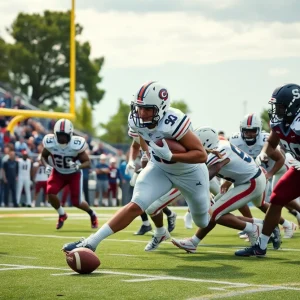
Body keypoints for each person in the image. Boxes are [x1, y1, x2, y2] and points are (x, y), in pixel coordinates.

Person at [62, 81, 211, 253]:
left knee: (202, 221)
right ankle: (90, 243)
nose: (142, 113)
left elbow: (201, 155)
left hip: (190, 172)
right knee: (136, 204)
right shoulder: (136, 120)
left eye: (148, 109)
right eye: (139, 107)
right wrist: (143, 158)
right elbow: (140, 140)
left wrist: (171, 155)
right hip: (160, 169)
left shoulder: (174, 121)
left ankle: (208, 199)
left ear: (161, 108)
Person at [171, 126, 268, 253]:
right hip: (244, 181)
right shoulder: (221, 145)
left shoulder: (220, 149)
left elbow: (212, 170)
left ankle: (252, 228)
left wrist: (195, 185)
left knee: (214, 213)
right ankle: (193, 242)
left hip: (252, 182)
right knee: (213, 212)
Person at [235, 83, 300, 257]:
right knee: (277, 197)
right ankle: (261, 245)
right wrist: (264, 153)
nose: (276, 110)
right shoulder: (280, 122)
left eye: (280, 106)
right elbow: (271, 143)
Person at [230, 113, 297, 238]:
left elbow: (280, 159)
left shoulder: (265, 140)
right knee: (262, 201)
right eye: (246, 131)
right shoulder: (235, 141)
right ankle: (256, 227)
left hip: (281, 167)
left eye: (252, 131)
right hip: (261, 173)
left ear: (259, 130)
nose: (249, 134)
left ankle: (289, 221)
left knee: (276, 198)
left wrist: (270, 174)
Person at [41, 118, 98, 229]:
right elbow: (43, 156)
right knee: (50, 192)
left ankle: (92, 214)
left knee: (76, 202)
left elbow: (87, 162)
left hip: (73, 174)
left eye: (64, 135)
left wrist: (78, 166)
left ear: (70, 135)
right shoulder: (50, 142)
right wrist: (47, 165)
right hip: (58, 172)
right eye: (60, 135)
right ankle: (62, 214)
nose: (62, 138)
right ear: (55, 134)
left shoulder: (76, 144)